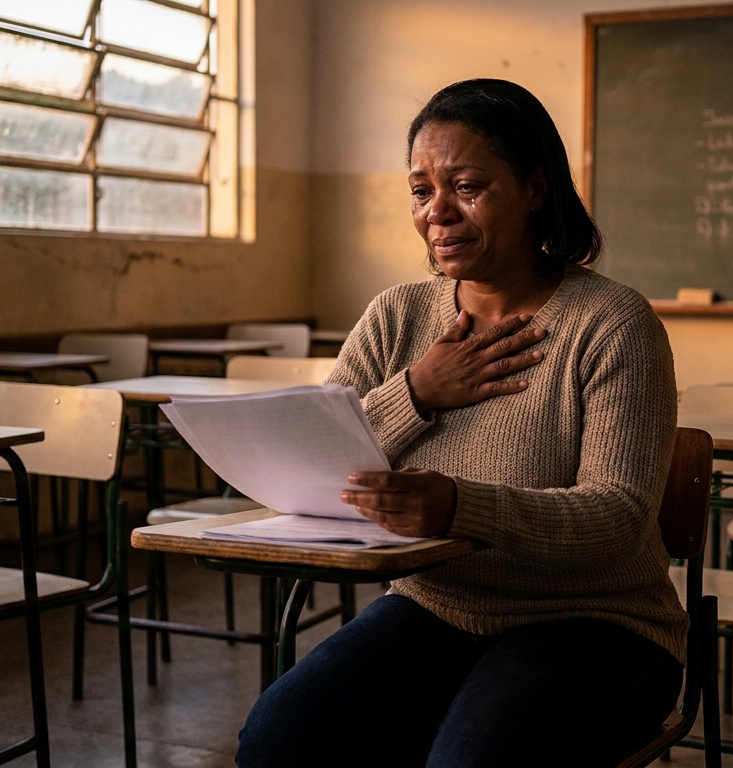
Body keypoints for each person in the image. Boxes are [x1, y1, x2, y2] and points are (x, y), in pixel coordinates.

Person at [236, 78, 686, 768]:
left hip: (598, 622)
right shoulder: (398, 314)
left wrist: (459, 506)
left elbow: (619, 518)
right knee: (279, 738)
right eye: (420, 191)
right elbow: (310, 464)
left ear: (535, 189)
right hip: (434, 605)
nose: (436, 212)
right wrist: (416, 390)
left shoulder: (613, 324)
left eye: (467, 186)